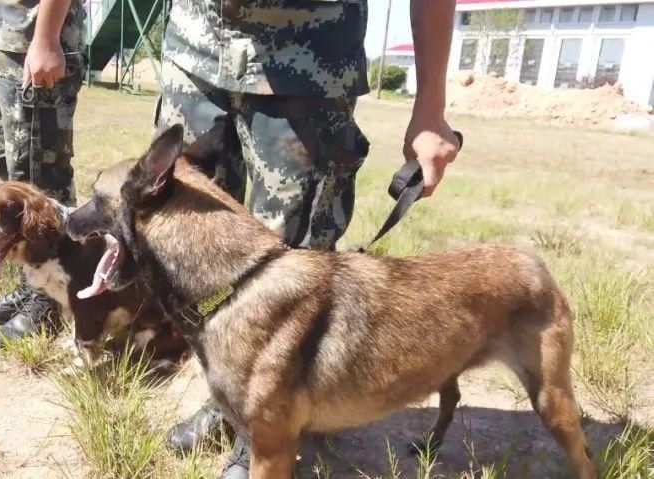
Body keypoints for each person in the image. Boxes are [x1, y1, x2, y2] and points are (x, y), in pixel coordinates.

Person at [156, 0, 461, 477]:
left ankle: (274, 427)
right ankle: (230, 402)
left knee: (288, 273)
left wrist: (429, 108)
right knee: (192, 256)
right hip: (195, 50)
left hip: (305, 61)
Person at [0, 0, 85, 350]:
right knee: (0, 178)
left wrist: (45, 36)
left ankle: (50, 300)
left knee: (38, 178)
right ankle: (30, 285)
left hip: (29, 32)